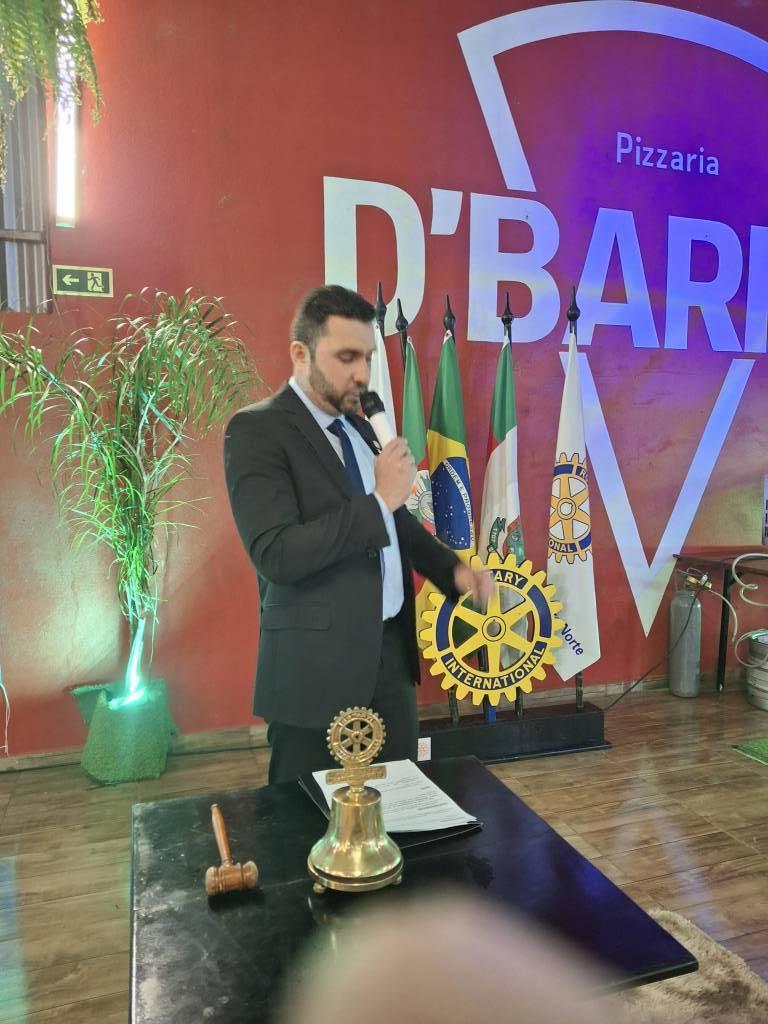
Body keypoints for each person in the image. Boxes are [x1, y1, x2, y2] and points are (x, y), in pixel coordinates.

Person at [224, 285, 488, 783]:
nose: (362, 374)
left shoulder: (361, 430)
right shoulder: (257, 430)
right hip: (314, 671)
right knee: (306, 815)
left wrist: (452, 570)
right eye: (346, 357)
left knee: (398, 804)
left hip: (390, 659)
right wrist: (379, 499)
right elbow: (276, 553)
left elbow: (395, 523)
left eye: (367, 357)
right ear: (300, 354)